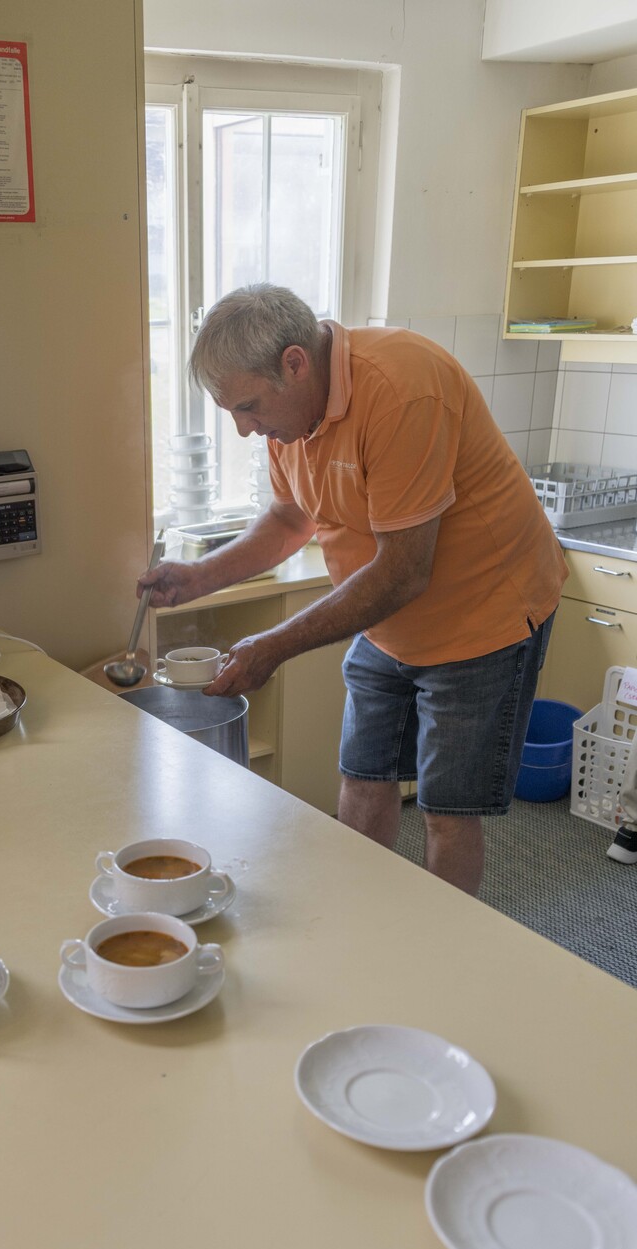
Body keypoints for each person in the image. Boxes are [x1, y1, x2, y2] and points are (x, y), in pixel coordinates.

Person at [140, 284, 568, 897]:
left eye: (249, 407)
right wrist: (198, 577)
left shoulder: (401, 389)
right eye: (231, 411)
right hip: (385, 617)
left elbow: (403, 572)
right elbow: (289, 520)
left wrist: (272, 647)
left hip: (483, 615)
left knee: (447, 810)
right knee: (363, 777)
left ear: (295, 363)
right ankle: (358, 919)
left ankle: (445, 946)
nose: (243, 429)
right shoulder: (290, 423)